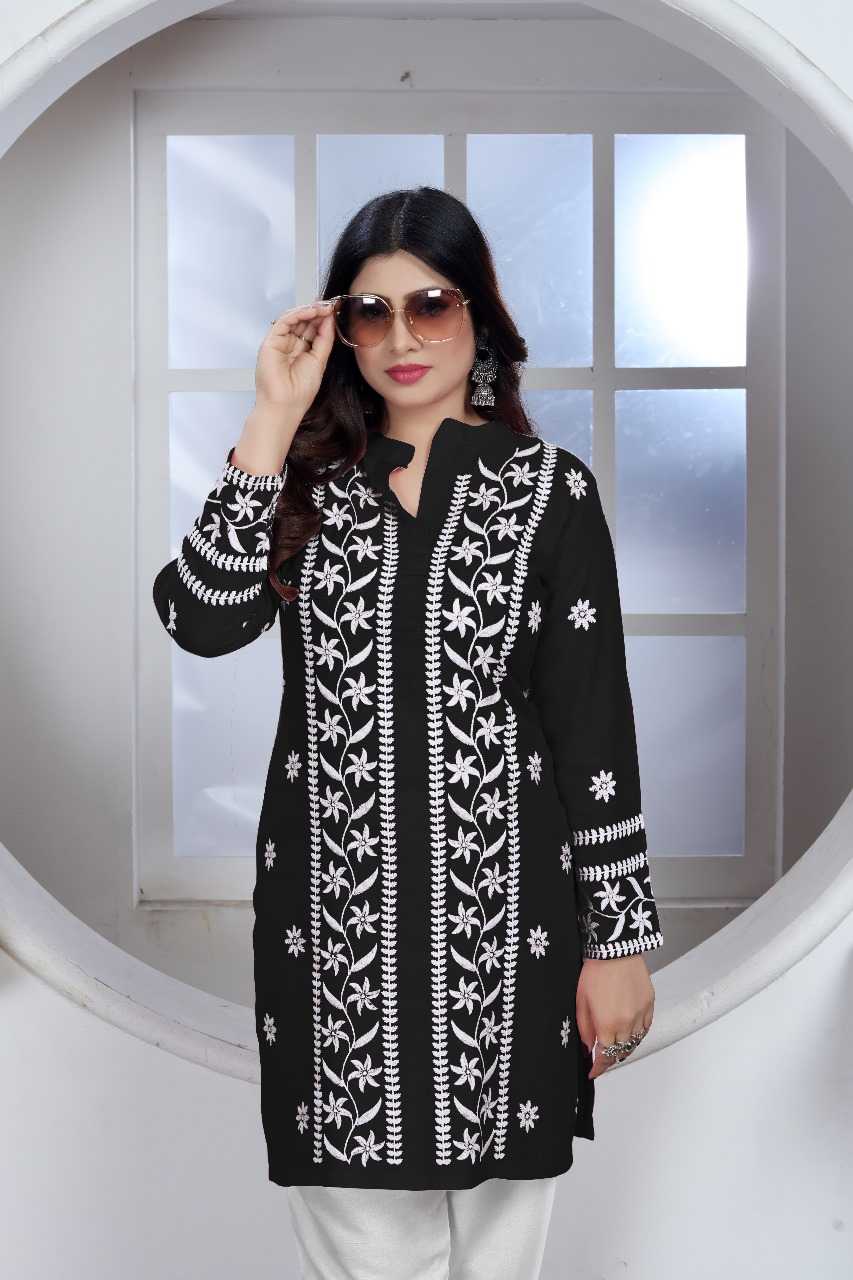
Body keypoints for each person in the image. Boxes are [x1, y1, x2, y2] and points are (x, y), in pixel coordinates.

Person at [153, 186, 664, 1279]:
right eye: (370, 312)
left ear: (478, 313)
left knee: (500, 1257)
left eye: (430, 304)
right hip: (338, 941)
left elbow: (591, 727)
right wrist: (270, 418)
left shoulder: (546, 493)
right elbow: (199, 619)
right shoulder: (306, 484)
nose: (401, 337)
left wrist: (616, 942)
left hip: (509, 936)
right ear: (340, 331)